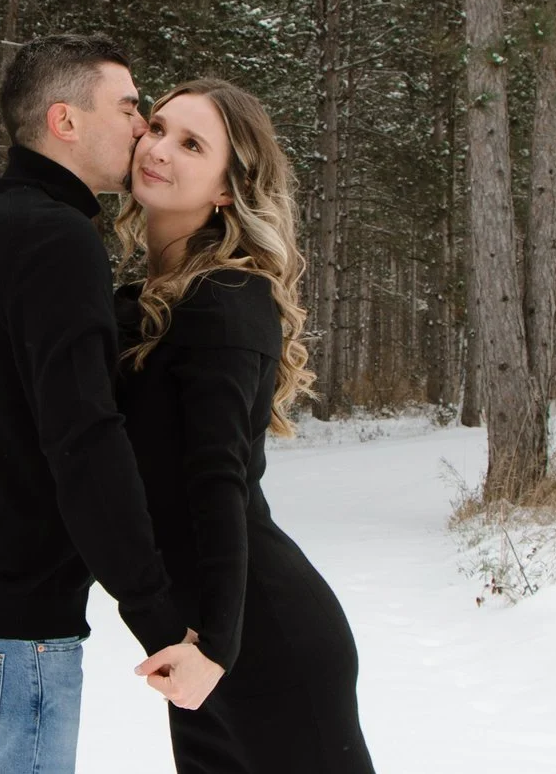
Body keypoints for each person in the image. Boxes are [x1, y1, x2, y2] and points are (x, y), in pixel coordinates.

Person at [0, 33, 224, 774]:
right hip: (2, 643)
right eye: (131, 107)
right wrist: (159, 620)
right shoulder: (57, 239)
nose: (143, 127)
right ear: (65, 121)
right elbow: (84, 444)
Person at [114, 77, 377, 774]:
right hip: (200, 639)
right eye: (159, 127)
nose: (160, 147)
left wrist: (217, 649)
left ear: (227, 189)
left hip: (262, 638)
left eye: (192, 143)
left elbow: (217, 479)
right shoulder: (142, 303)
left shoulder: (229, 298)